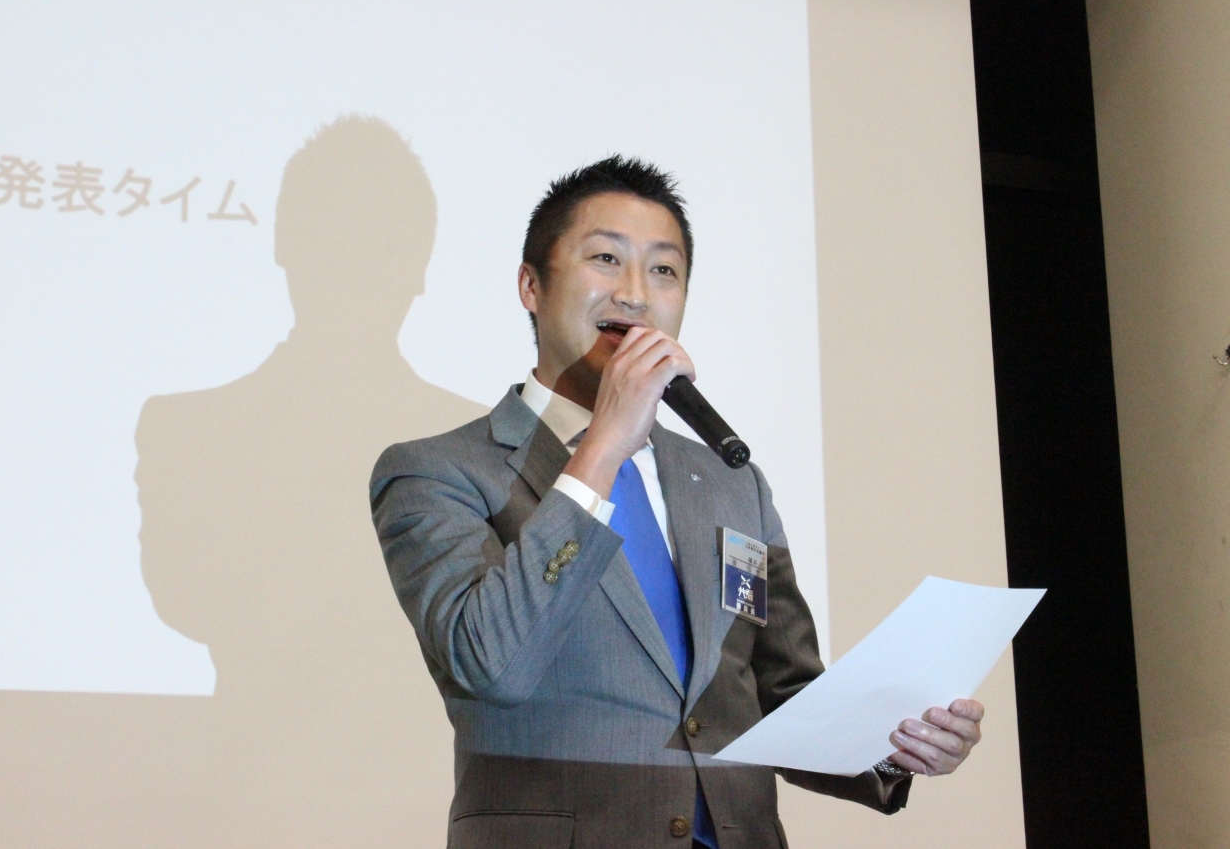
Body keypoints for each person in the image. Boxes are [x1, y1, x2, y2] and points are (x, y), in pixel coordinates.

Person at [369, 156, 984, 848]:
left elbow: (780, 695)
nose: (635, 294)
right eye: (606, 258)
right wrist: (604, 443)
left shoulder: (729, 480)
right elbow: (489, 663)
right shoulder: (438, 472)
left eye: (664, 270)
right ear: (531, 286)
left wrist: (895, 743)